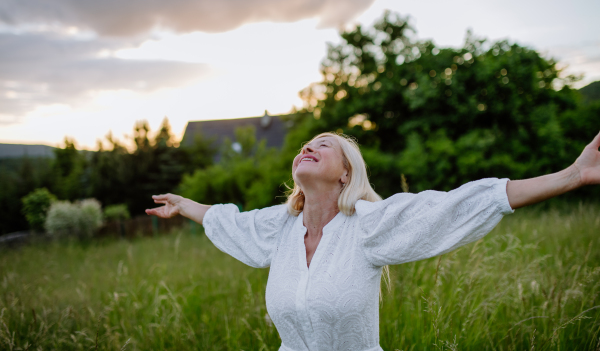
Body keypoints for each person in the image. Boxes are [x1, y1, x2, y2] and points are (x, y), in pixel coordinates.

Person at [146, 131, 600, 351]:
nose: (307, 146)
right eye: (304, 144)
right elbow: (230, 222)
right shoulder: (279, 228)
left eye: (323, 145)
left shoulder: (369, 225)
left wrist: (571, 176)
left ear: (346, 172)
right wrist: (186, 205)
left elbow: (458, 204)